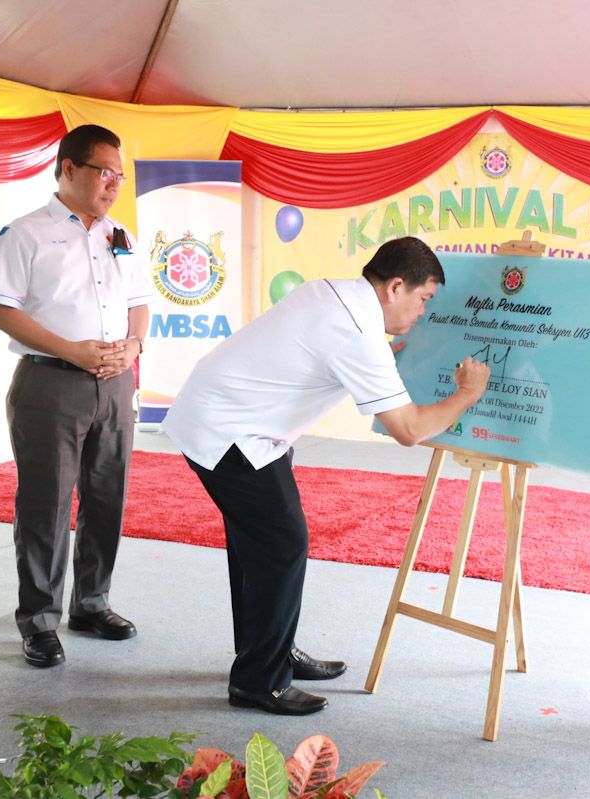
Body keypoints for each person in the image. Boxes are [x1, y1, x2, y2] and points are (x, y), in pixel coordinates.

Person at [163, 236, 491, 716]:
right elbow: (410, 430)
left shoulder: (331, 293)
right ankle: (260, 681)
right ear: (395, 287)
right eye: (423, 299)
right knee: (281, 544)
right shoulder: (357, 332)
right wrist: (467, 394)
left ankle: (270, 652)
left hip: (234, 417)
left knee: (259, 544)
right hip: (229, 430)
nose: (424, 312)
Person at [0, 125, 151, 668]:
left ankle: (91, 604)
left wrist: (134, 346)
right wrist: (71, 351)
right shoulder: (26, 233)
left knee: (107, 497)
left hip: (115, 384)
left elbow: (140, 301)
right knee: (46, 504)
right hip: (50, 382)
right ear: (70, 168)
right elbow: (0, 308)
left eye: (120, 175)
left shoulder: (120, 234)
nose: (114, 184)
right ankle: (40, 620)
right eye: (105, 172)